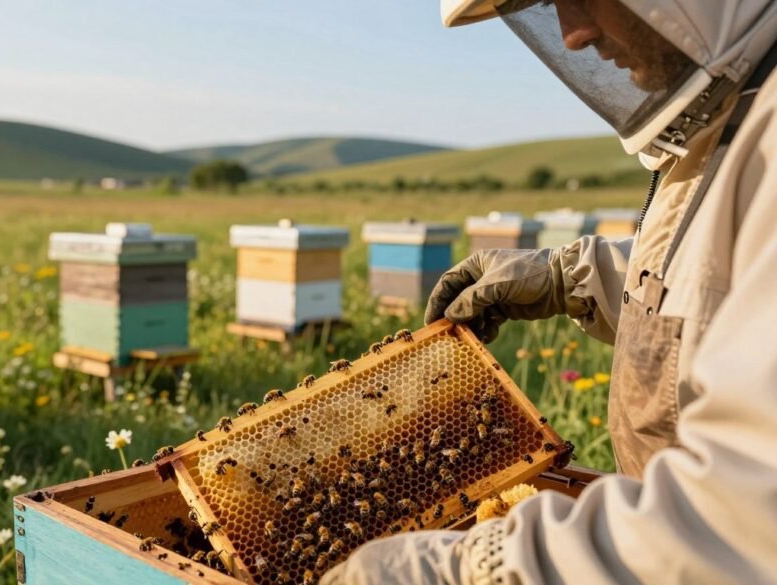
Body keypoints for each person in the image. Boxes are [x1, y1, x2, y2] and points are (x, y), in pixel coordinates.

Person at [322, 0, 777, 583]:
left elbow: (740, 523)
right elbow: (723, 291)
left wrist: (464, 571)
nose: (571, 34)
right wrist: (572, 276)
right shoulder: (741, 110)